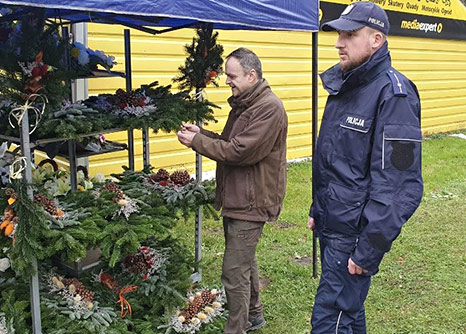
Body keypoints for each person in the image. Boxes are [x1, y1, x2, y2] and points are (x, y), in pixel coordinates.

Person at [308, 2, 423, 333]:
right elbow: (337, 160)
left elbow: (401, 186)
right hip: (333, 225)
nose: (338, 42)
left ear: (377, 39)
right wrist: (319, 208)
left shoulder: (394, 95)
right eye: (339, 34)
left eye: (349, 34)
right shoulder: (346, 85)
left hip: (354, 236)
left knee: (329, 321)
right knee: (350, 314)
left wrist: (368, 249)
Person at [177, 47, 287, 334]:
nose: (226, 80)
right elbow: (229, 141)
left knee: (233, 271)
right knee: (244, 261)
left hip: (252, 201)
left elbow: (240, 152)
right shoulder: (246, 104)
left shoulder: (269, 108)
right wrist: (202, 135)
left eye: (231, 75)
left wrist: (196, 143)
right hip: (239, 197)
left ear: (252, 75)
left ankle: (236, 328)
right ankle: (254, 315)